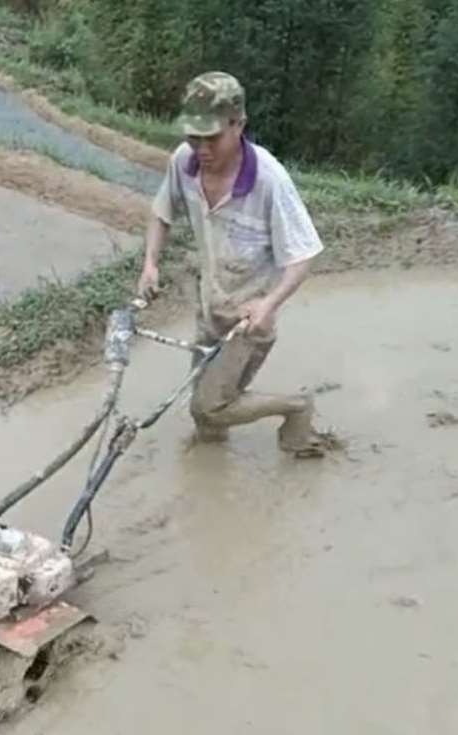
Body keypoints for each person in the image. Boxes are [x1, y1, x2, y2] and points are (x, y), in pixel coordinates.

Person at [137, 71, 325, 453]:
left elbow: (305, 253)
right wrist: (150, 263)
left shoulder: (268, 181)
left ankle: (297, 406)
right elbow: (160, 213)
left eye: (212, 137)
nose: (201, 149)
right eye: (194, 137)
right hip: (210, 309)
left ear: (238, 125)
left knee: (210, 406)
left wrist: (268, 304)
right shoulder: (183, 162)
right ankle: (207, 479)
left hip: (248, 320)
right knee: (205, 418)